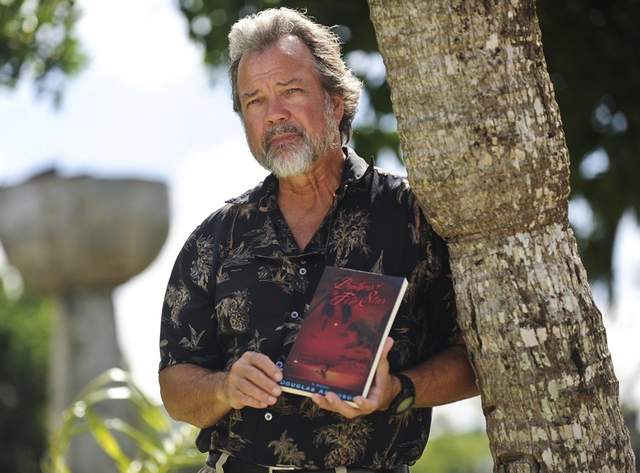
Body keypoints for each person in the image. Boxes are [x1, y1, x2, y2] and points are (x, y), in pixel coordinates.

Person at [159, 7, 478, 473]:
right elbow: (175, 384)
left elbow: (476, 357)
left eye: (290, 91)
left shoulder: (414, 216)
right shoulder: (216, 237)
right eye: (255, 101)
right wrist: (224, 387)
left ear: (336, 101)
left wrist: (399, 391)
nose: (275, 115)